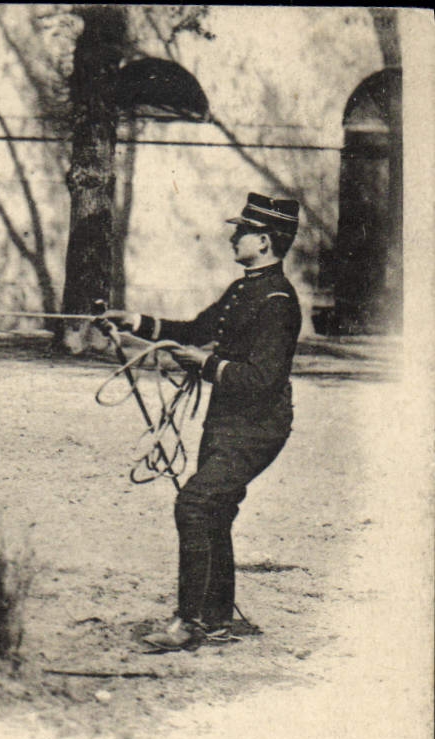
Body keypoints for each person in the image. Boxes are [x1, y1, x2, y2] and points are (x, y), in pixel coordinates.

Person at [100, 192, 303, 650]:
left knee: (194, 506)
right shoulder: (243, 289)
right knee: (214, 512)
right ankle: (213, 620)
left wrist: (205, 366)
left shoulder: (277, 300)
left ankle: (190, 623)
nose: (234, 237)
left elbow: (263, 380)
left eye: (243, 232)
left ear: (265, 241)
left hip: (257, 428)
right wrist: (134, 321)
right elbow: (195, 331)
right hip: (226, 423)